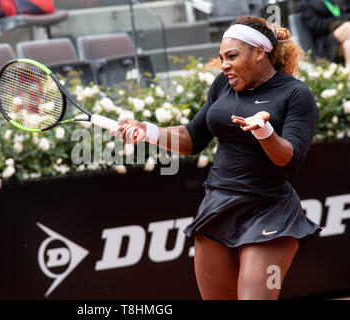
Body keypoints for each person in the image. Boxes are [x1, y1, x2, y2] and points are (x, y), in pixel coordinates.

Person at [116, 16, 321, 300]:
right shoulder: (222, 85)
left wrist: (264, 132)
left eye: (232, 56)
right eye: (222, 57)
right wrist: (149, 131)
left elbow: (291, 161)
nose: (224, 64)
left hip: (269, 210)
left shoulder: (296, 94)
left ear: (260, 52)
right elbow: (192, 138)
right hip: (219, 205)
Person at [301, 0, 350, 66]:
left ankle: (347, 74)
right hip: (323, 42)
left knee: (347, 44)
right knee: (347, 27)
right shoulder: (307, 4)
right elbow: (316, 27)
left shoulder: (335, 1)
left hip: (341, 39)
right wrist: (341, 21)